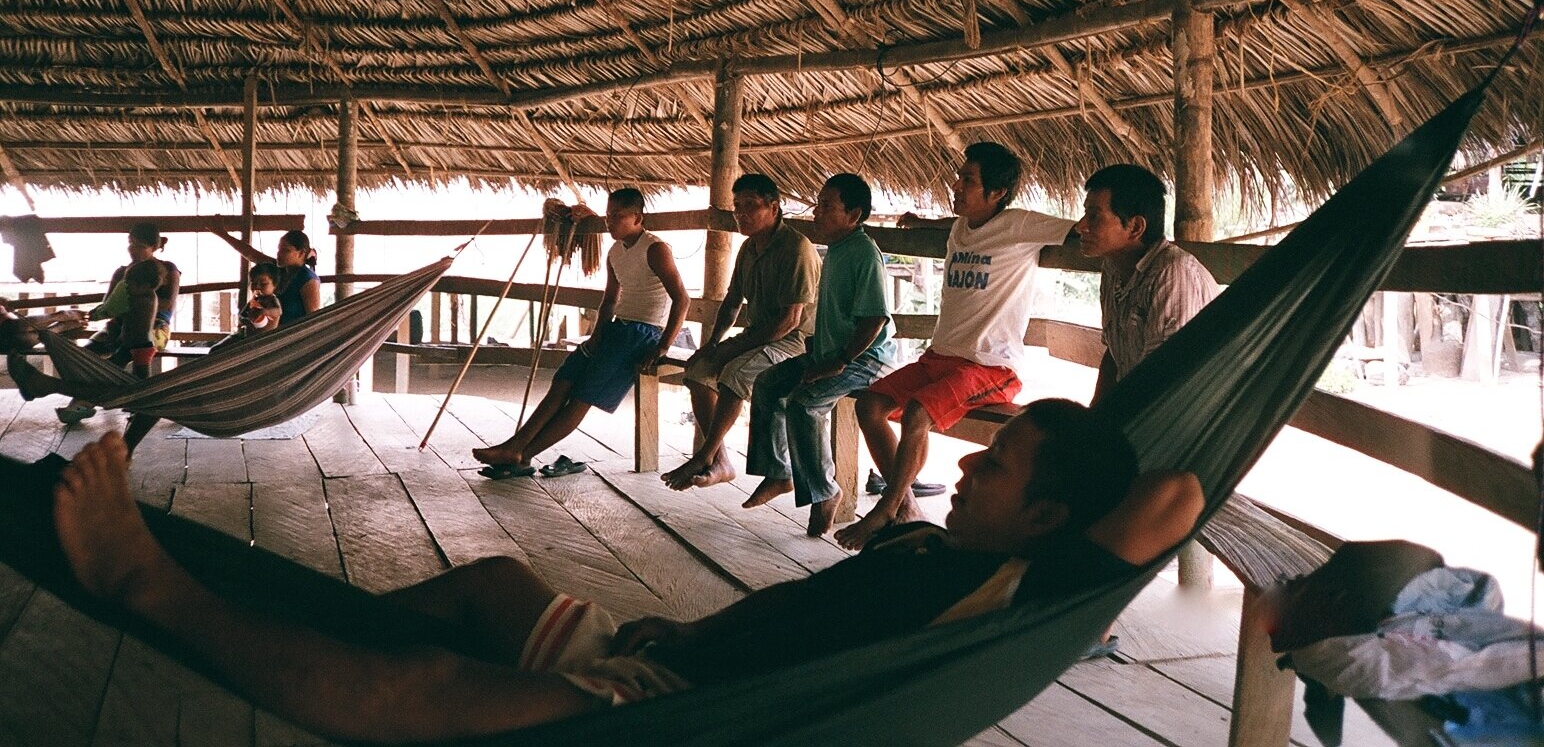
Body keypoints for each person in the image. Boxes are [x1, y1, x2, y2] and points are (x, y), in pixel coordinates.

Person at [50, 401, 1204, 741]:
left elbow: (1176, 496)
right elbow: (797, 613)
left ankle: (152, 586)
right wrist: (683, 634)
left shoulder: (1013, 590)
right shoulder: (937, 547)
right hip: (686, 662)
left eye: (997, 465)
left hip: (695, 720)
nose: (965, 463)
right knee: (489, 583)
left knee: (433, 701)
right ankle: (298, 631)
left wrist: (686, 667)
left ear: (1048, 515)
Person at [839, 142, 1074, 550]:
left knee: (917, 413)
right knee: (869, 405)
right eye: (959, 177)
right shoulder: (961, 226)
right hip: (940, 357)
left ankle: (885, 510)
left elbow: (1079, 229)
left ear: (998, 193)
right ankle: (907, 507)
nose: (957, 185)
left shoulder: (1020, 224)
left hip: (990, 367)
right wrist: (917, 224)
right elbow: (952, 224)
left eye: (968, 180)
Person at [473, 188, 690, 478]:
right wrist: (597, 335)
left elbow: (682, 299)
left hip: (642, 332)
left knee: (581, 397)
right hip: (616, 329)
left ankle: (523, 454)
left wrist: (662, 348)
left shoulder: (655, 248)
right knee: (564, 379)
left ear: (637, 217)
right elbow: (610, 300)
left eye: (618, 216)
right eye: (608, 215)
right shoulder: (615, 251)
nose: (609, 222)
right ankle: (516, 445)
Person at [742, 173, 897, 535]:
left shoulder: (863, 253)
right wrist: (820, 348)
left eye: (827, 206)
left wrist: (838, 361)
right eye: (818, 204)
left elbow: (874, 318)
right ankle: (779, 473)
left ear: (854, 214)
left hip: (865, 359)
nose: (817, 212)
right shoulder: (837, 249)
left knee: (804, 402)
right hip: (831, 353)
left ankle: (824, 491)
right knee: (767, 382)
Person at [662, 174, 820, 491]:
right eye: (737, 206)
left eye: (750, 205)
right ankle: (720, 460)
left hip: (796, 344)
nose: (741, 213)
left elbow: (790, 321)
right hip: (760, 336)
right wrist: (713, 344)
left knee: (734, 373)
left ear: (774, 208)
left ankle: (703, 455)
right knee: (698, 370)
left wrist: (734, 349)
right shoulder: (748, 247)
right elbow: (733, 302)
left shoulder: (796, 248)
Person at [1076, 165, 1221, 406]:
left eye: (1094, 216)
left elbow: (1163, 382)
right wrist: (1095, 414)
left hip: (1180, 418)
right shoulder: (1113, 268)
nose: (1081, 225)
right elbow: (1115, 353)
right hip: (1142, 410)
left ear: (1135, 227)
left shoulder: (1173, 274)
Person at [8, 258, 168, 451]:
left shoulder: (145, 299)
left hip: (140, 346)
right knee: (117, 372)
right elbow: (122, 317)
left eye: (133, 285)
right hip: (130, 344)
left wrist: (107, 314)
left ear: (148, 286)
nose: (129, 287)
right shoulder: (140, 295)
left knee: (139, 383)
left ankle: (137, 406)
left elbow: (128, 321)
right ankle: (118, 400)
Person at [85, 221, 180, 364]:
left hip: (155, 329)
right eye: (131, 244)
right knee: (87, 353)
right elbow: (108, 303)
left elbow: (167, 303)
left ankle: (117, 379)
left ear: (153, 247)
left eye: (140, 246)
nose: (133, 249)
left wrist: (132, 305)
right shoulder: (121, 272)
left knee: (127, 349)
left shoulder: (167, 269)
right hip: (118, 327)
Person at [210, 228, 321, 326]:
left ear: (301, 253)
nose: (278, 254)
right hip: (269, 335)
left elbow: (313, 319)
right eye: (279, 249)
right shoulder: (278, 270)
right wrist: (223, 234)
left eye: (285, 250)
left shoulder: (308, 279)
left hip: (289, 339)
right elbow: (250, 253)